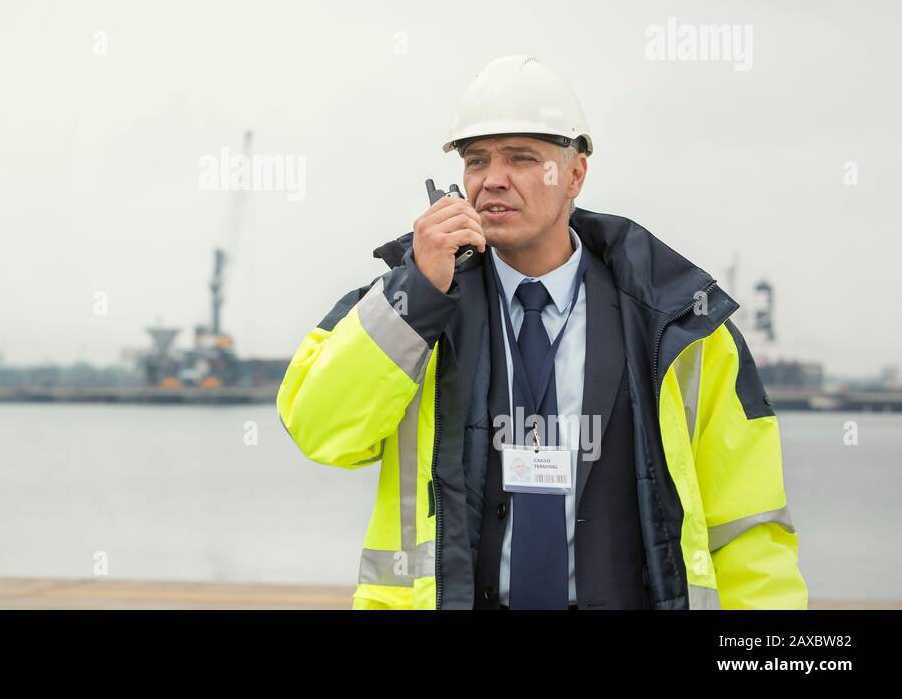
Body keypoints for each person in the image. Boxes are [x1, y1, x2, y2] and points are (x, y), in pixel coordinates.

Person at [276, 55, 808, 610]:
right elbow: (319, 431)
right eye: (476, 160)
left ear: (575, 174)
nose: (492, 180)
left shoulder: (678, 323)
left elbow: (747, 526)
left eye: (522, 158)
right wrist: (419, 298)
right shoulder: (405, 306)